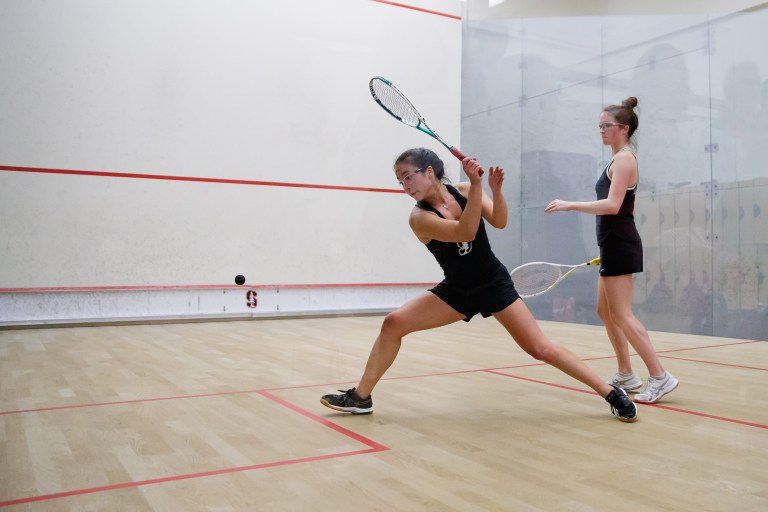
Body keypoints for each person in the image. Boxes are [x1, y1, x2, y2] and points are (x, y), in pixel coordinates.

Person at [320, 147, 637, 422]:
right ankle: (361, 397)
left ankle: (610, 393)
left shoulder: (462, 188)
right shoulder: (419, 217)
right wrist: (476, 184)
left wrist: (494, 191)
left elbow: (499, 221)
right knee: (393, 324)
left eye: (408, 176)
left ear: (429, 172)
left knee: (540, 348)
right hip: (456, 291)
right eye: (400, 180)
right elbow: (466, 232)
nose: (404, 185)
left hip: (493, 282)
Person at [544, 97, 679, 404]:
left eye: (607, 126)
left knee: (622, 313)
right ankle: (626, 373)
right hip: (612, 244)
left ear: (624, 128)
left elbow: (613, 205)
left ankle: (660, 376)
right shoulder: (617, 159)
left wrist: (570, 205)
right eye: (600, 126)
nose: (602, 130)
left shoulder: (625, 160)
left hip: (620, 243)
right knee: (605, 312)